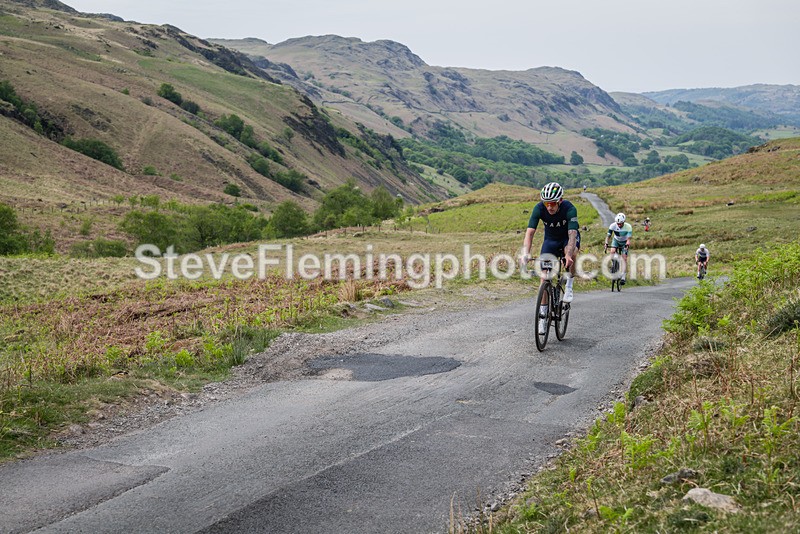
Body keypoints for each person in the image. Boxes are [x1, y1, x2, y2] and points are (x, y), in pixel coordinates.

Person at [520, 182, 580, 331]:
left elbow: (572, 235)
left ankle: (570, 284)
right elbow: (530, 232)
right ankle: (543, 314)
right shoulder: (539, 208)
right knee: (544, 277)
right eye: (546, 203)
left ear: (560, 200)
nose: (549, 207)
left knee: (572, 253)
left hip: (567, 238)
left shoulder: (570, 209)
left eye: (552, 203)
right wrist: (525, 253)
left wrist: (568, 254)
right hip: (551, 241)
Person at [604, 212, 632, 284]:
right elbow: (608, 236)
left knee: (624, 258)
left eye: (621, 224)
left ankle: (623, 277)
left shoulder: (628, 227)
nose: (619, 225)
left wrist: (627, 245)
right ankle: (614, 264)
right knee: (612, 251)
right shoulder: (612, 225)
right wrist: (606, 243)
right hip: (616, 240)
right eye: (618, 223)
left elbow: (628, 239)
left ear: (624, 222)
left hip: (624, 242)